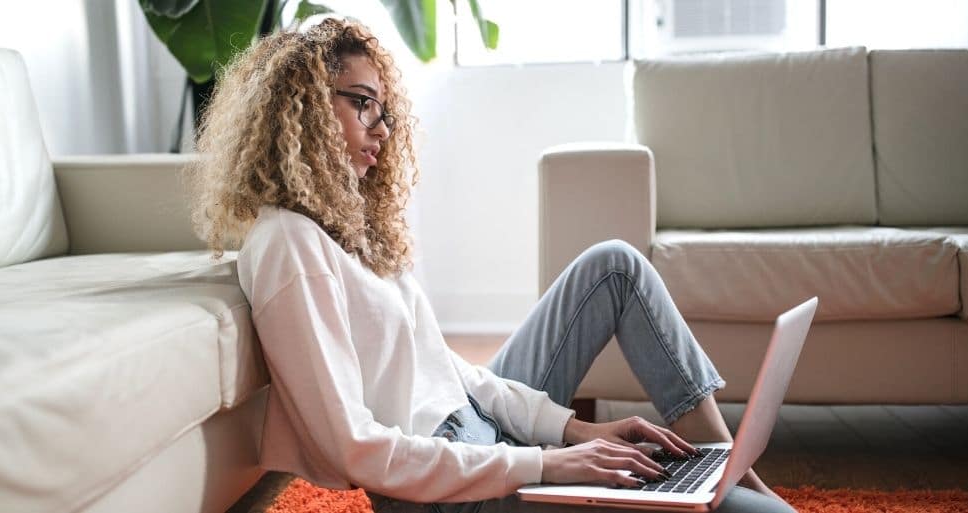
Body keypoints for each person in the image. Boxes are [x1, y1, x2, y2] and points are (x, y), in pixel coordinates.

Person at [187, 17, 795, 513]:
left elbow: (447, 371)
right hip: (442, 492)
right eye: (362, 104)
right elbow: (354, 448)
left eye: (384, 111)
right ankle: (728, 489)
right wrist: (545, 464)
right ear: (306, 108)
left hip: (480, 434)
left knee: (614, 266)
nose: (382, 128)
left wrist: (570, 431)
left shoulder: (353, 232)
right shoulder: (288, 244)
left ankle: (727, 466)